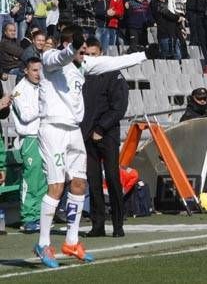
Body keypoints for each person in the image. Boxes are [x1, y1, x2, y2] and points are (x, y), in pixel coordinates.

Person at [33, 25, 151, 268]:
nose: (85, 52)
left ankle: (72, 241)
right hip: (53, 129)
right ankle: (43, 243)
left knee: (79, 184)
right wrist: (73, 46)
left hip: (74, 130)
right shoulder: (50, 60)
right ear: (68, 45)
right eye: (81, 47)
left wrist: (143, 55)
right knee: (56, 186)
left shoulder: (83, 65)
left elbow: (111, 62)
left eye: (85, 48)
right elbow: (61, 56)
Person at [81, 38, 129, 238]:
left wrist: (101, 127)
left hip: (106, 134)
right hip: (86, 134)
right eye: (87, 54)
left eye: (93, 54)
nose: (90, 58)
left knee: (112, 178)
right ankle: (98, 224)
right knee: (93, 181)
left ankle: (118, 225)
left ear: (100, 53)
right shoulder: (81, 74)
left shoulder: (113, 74)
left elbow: (119, 107)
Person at [12, 57, 45, 233]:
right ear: (26, 70)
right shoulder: (19, 90)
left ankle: (39, 215)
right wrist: (43, 106)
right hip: (29, 139)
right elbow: (25, 115)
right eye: (34, 70)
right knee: (30, 179)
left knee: (43, 179)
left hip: (44, 136)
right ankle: (28, 218)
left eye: (40, 70)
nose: (38, 74)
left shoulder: (43, 86)